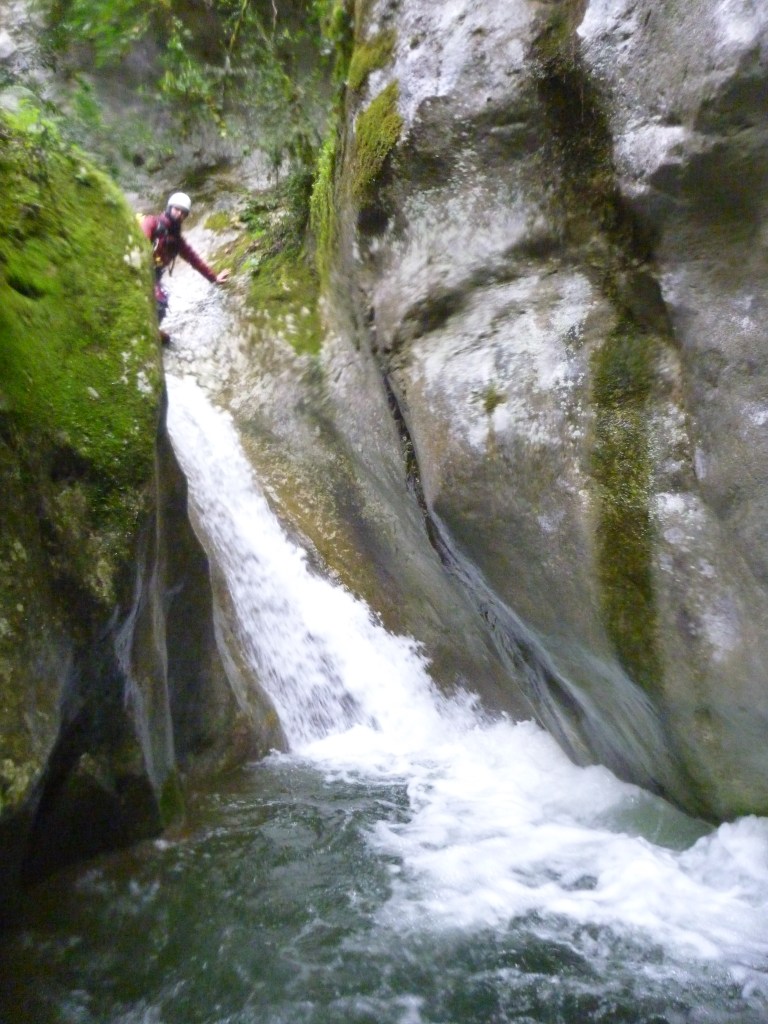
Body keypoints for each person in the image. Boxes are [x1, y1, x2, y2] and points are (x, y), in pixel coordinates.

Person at [140, 191, 230, 344]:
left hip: (153, 274)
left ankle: (151, 329)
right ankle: (148, 330)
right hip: (140, 271)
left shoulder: (177, 240)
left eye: (184, 213)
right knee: (160, 301)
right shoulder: (152, 223)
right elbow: (141, 241)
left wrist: (214, 278)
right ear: (169, 208)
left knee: (163, 300)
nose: (179, 214)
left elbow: (194, 260)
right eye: (177, 209)